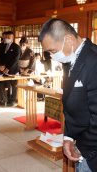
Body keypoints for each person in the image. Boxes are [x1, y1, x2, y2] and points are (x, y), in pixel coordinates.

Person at [39, 18, 97, 172]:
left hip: (92, 152)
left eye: (52, 51)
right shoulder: (69, 59)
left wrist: (83, 148)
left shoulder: (94, 60)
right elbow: (70, 102)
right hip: (79, 141)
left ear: (69, 39)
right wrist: (69, 137)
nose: (52, 56)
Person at [0, 31, 21, 106]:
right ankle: (3, 99)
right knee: (1, 84)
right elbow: (0, 57)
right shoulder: (3, 46)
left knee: (13, 86)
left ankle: (12, 101)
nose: (7, 39)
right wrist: (0, 66)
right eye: (6, 37)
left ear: (12, 38)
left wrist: (8, 68)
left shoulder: (16, 47)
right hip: (3, 70)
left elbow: (15, 59)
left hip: (13, 69)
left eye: (9, 37)